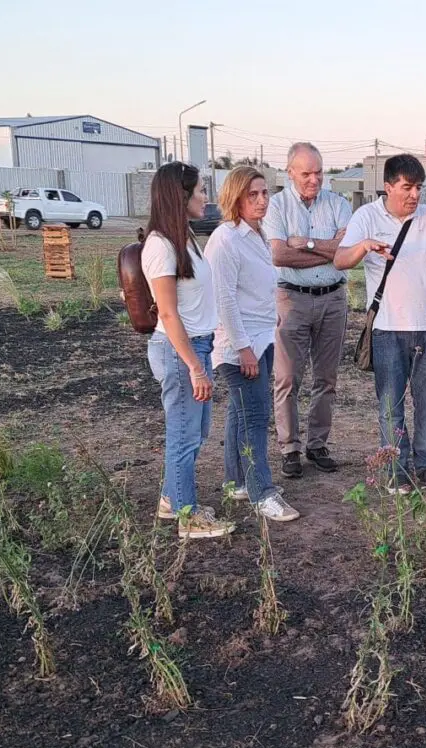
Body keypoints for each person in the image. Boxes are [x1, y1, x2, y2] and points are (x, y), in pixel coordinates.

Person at [335, 154, 426, 494]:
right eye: (407, 187)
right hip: (387, 327)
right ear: (388, 187)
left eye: (419, 187)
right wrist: (364, 246)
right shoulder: (366, 216)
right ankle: (396, 470)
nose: (414, 195)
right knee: (391, 404)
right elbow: (340, 260)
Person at [142, 162, 234, 539]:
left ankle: (171, 498)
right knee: (183, 435)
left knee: (196, 431)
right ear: (180, 195)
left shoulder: (183, 238)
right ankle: (187, 517)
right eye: (199, 191)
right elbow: (167, 312)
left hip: (197, 346)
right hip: (181, 352)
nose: (205, 197)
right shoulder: (161, 246)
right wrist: (195, 366)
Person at [206, 166, 299, 523]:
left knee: (239, 413)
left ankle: (237, 481)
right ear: (235, 198)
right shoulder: (226, 239)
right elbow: (225, 298)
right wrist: (243, 347)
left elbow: (254, 286)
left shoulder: (256, 235)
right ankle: (263, 492)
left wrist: (268, 318)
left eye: (264, 193)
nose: (261, 201)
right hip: (239, 345)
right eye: (252, 195)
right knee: (256, 417)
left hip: (261, 337)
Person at [264, 142, 353, 479]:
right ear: (290, 173)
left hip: (333, 298)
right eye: (306, 173)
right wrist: (331, 250)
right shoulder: (276, 206)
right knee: (287, 377)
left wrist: (308, 243)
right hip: (292, 298)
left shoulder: (338, 204)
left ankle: (317, 445)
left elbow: (348, 255)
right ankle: (290, 448)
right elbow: (280, 256)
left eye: (319, 172)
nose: (315, 179)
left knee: (326, 377)